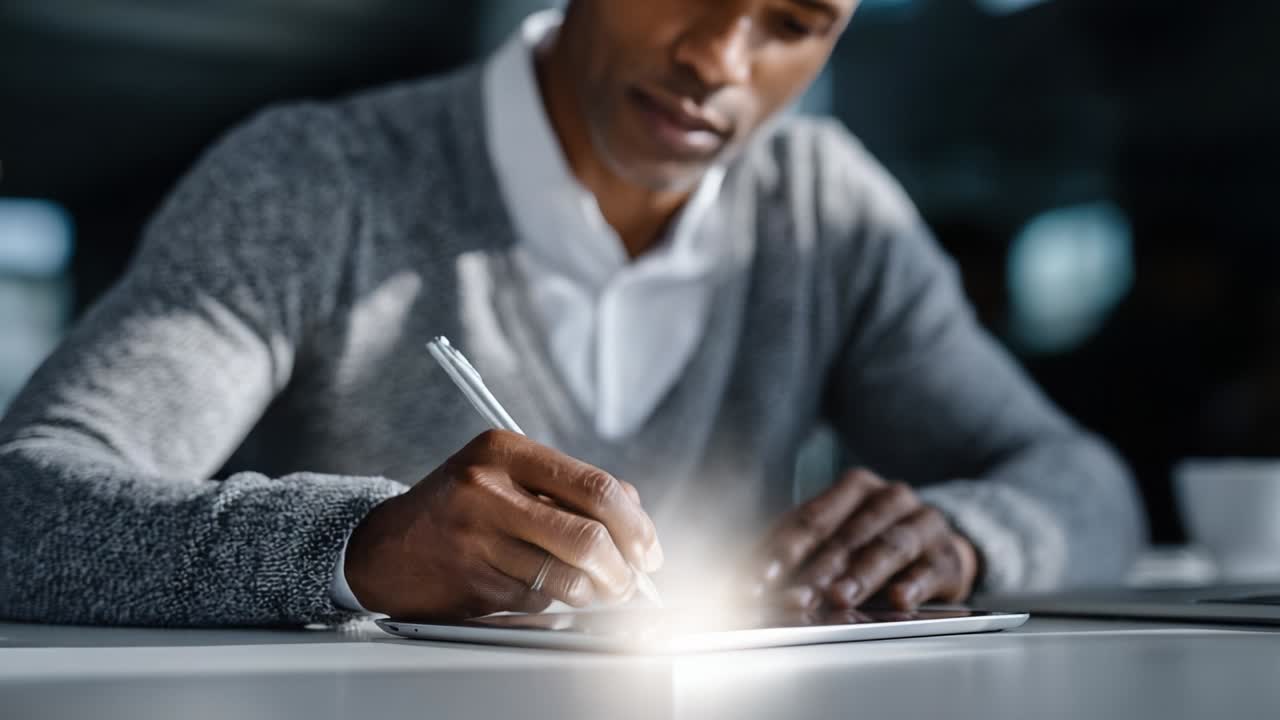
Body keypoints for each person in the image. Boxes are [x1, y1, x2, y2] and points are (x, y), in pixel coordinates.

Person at [0, 0, 1145, 627]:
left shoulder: (821, 209)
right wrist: (356, 546)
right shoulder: (311, 181)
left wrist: (961, 534)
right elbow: (27, 504)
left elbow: (1080, 480)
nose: (714, 59)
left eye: (790, 22)